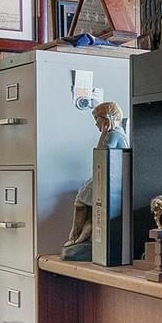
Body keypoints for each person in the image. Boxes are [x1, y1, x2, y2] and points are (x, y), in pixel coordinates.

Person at [61, 101, 128, 260]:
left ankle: (75, 235)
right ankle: (79, 236)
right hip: (106, 173)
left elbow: (101, 155)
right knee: (90, 206)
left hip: (108, 175)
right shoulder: (116, 133)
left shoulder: (114, 134)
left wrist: (104, 133)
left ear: (105, 118)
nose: (96, 123)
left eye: (97, 119)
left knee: (81, 200)